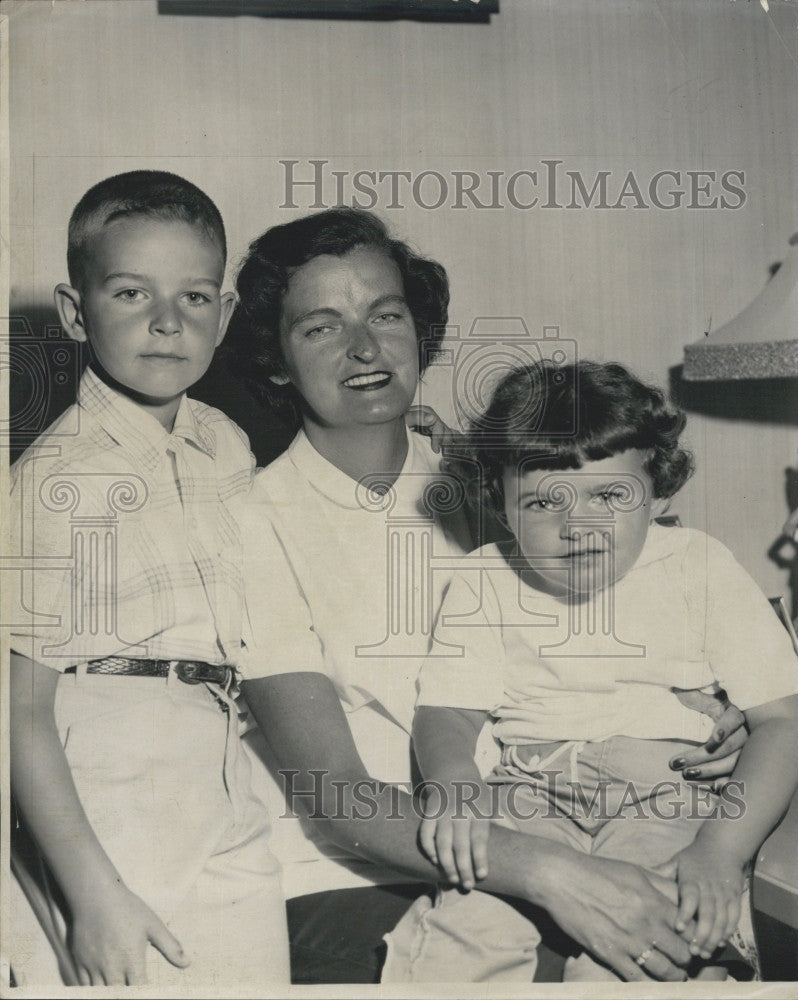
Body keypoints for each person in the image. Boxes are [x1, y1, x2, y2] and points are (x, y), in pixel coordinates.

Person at [224, 208, 749, 984]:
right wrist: (545, 873)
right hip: (358, 874)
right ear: (276, 360)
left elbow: (631, 626)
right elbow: (334, 794)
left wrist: (712, 711)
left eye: (386, 314)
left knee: (706, 950)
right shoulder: (247, 523)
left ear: (420, 329)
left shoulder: (502, 483)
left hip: (563, 825)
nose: (364, 348)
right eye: (320, 328)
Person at [381, 360, 798, 983]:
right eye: (544, 502)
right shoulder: (482, 578)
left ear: (657, 491)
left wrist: (720, 849)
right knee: (460, 941)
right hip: (526, 793)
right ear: (500, 504)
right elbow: (449, 708)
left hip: (666, 795)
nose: (578, 527)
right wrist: (452, 780)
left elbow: (782, 723)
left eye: (608, 496)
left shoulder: (700, 565)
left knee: (648, 956)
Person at [8, 171, 289, 989]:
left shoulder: (225, 442)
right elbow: (16, 709)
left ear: (225, 316)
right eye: (131, 293)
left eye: (195, 298)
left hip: (226, 775)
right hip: (103, 792)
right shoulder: (52, 477)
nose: (167, 323)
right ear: (74, 312)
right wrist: (91, 896)